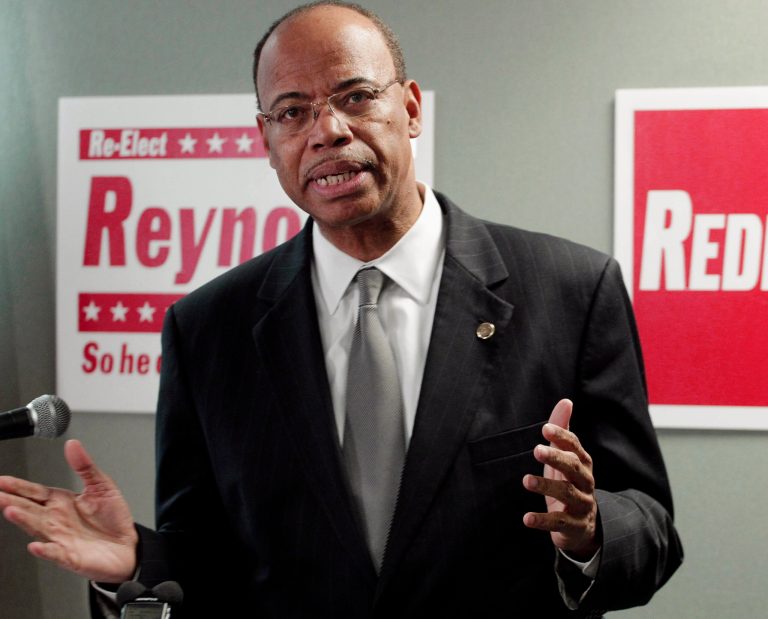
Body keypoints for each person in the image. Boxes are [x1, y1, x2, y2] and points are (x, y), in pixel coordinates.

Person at [0, 2, 682, 617]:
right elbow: (207, 561)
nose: (327, 130)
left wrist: (589, 530)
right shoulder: (207, 329)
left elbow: (650, 527)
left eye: (355, 96)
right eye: (292, 112)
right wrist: (135, 563)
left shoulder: (570, 289)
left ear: (410, 108)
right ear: (267, 141)